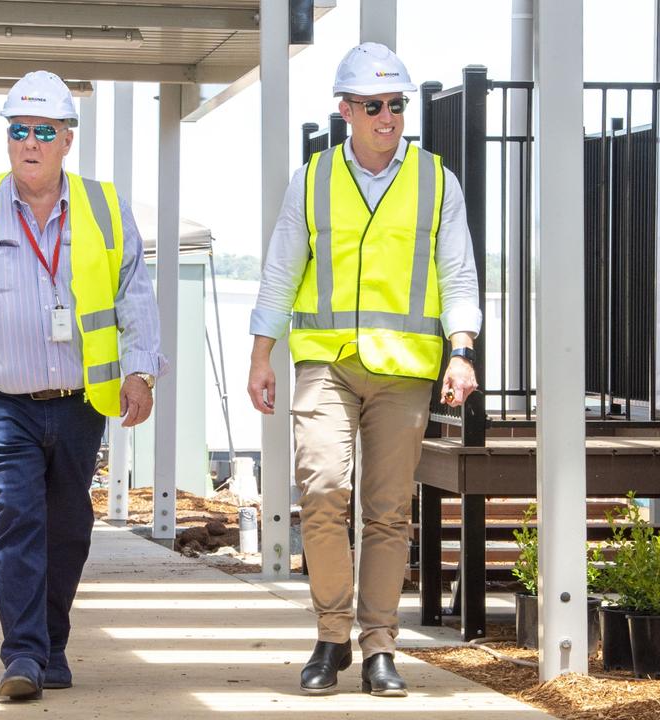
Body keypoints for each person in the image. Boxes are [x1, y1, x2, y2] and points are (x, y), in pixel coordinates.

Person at [0, 70, 165, 701]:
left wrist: (141, 370)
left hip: (80, 404)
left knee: (69, 528)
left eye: (45, 131)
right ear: (8, 139)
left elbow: (135, 298)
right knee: (17, 518)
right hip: (2, 405)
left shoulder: (103, 206)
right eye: (19, 130)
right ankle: (21, 656)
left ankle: (52, 645)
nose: (31, 143)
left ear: (68, 139)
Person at [247, 43, 481, 697]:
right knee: (321, 491)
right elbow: (279, 272)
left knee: (386, 512)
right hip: (325, 361)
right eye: (374, 106)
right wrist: (261, 355)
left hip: (404, 370)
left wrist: (460, 349)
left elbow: (458, 274)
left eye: (397, 105)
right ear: (346, 109)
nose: (387, 117)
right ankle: (330, 634)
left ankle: (379, 645)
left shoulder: (437, 181)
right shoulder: (314, 179)